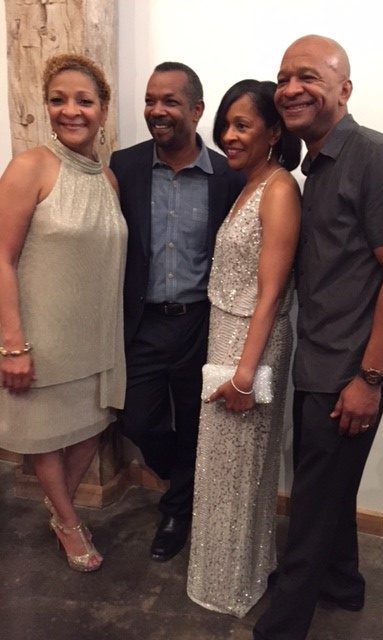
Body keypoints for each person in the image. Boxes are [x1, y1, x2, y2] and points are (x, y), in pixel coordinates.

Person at [253, 35, 383, 640]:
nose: (291, 88)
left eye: (308, 76)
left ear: (344, 89)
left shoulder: (376, 157)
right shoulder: (316, 166)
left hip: (351, 368)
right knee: (328, 490)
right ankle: (342, 583)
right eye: (283, 77)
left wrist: (368, 379)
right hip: (321, 358)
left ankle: (284, 624)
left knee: (311, 503)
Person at [110, 62, 244, 563]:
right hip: (141, 322)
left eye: (169, 101)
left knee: (194, 423)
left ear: (197, 110)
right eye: (150, 100)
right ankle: (180, 476)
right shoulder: (124, 166)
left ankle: (176, 512)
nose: (156, 110)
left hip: (198, 323)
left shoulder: (227, 176)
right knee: (136, 420)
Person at [0, 54, 127, 572]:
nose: (70, 110)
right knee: (44, 435)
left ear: (103, 110)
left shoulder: (108, 179)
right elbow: (2, 257)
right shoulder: (30, 166)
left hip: (96, 336)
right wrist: (13, 344)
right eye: (58, 100)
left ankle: (62, 513)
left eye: (83, 100)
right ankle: (71, 523)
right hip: (42, 336)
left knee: (91, 427)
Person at [187, 79, 302, 617]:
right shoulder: (249, 185)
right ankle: (232, 572)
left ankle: (236, 582)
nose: (228, 136)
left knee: (240, 468)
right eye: (226, 126)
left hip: (249, 345)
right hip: (226, 336)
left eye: (242, 125)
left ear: (274, 133)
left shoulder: (279, 189)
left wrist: (244, 375)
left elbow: (272, 293)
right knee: (223, 468)